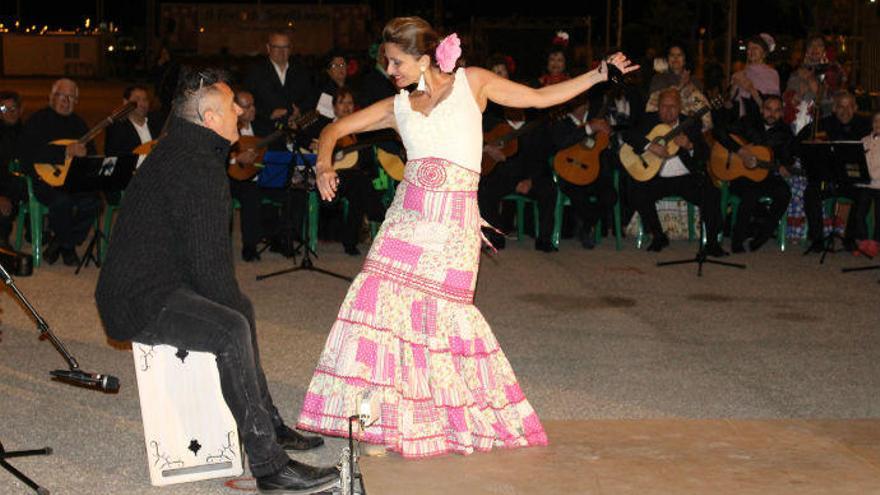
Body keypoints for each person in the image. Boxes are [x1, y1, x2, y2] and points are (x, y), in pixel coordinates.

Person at [296, 16, 637, 457]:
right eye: (386, 62)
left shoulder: (471, 83)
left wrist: (598, 73)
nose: (390, 71)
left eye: (396, 62)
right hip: (407, 217)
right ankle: (381, 415)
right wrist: (324, 164)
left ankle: (442, 414)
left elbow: (537, 98)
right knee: (378, 302)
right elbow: (333, 130)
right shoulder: (396, 106)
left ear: (423, 58)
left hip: (454, 223)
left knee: (441, 319)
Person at [94, 68, 337, 494]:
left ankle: (271, 424)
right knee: (231, 325)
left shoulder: (188, 151)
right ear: (208, 118)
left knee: (240, 308)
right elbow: (210, 272)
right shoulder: (196, 167)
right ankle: (269, 466)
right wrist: (230, 309)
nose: (240, 112)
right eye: (230, 108)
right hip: (136, 298)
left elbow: (199, 260)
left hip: (162, 278)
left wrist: (233, 303)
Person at [623, 88, 725, 256]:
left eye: (673, 106)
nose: (668, 110)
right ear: (658, 106)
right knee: (637, 190)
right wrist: (650, 146)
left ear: (680, 108)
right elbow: (628, 135)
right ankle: (658, 236)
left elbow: (704, 153)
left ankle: (712, 243)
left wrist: (690, 146)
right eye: (664, 106)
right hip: (657, 177)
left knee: (711, 192)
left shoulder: (691, 123)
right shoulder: (649, 119)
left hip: (685, 178)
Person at [18, 78, 101, 266]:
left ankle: (61, 242)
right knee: (62, 201)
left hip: (73, 181)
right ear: (51, 97)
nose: (66, 101)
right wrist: (64, 152)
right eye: (62, 96)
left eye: (72, 97)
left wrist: (85, 154)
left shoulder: (79, 124)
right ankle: (68, 248)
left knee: (94, 203)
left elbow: (92, 158)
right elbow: (27, 155)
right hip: (45, 182)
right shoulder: (37, 121)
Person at [305, 86, 385, 256]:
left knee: (358, 188)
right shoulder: (323, 126)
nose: (347, 107)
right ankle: (378, 215)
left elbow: (368, 161)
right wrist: (314, 145)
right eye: (342, 103)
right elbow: (301, 139)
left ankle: (350, 241)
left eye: (350, 103)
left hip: (354, 179)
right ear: (334, 107)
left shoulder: (361, 130)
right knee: (360, 184)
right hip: (331, 179)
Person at [714, 95, 793, 252]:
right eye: (769, 109)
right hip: (739, 175)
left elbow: (787, 158)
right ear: (762, 109)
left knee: (784, 193)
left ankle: (763, 235)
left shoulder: (785, 133)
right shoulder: (748, 122)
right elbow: (719, 132)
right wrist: (740, 151)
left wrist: (786, 167)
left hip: (766, 176)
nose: (772, 114)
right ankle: (737, 240)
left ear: (782, 113)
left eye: (777, 111)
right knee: (751, 193)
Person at [245, 31, 317, 139]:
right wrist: (270, 114)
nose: (281, 52)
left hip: (296, 134)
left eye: (285, 47)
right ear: (268, 48)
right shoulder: (256, 72)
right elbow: (247, 103)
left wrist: (299, 111)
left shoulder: (301, 71)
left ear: (290, 49)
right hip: (266, 135)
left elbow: (310, 99)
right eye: (276, 47)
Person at [104, 85, 163, 168]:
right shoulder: (117, 128)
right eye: (137, 99)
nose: (142, 104)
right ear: (125, 102)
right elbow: (112, 160)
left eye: (145, 99)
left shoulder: (158, 121)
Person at [0, 90, 26, 247]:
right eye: (3, 109)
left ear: (21, 109)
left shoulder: (28, 133)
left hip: (21, 187)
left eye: (13, 108)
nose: (9, 113)